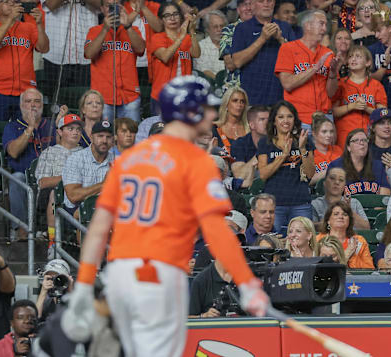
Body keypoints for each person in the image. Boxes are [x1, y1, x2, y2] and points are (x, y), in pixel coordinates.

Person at [64, 76, 270, 356]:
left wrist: (86, 282)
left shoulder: (128, 159)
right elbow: (218, 231)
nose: (211, 115)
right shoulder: (195, 163)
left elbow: (99, 228)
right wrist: (246, 283)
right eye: (206, 109)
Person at [0, 0, 48, 121]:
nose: (11, 4)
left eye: (14, 1)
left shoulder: (29, 27)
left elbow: (44, 48)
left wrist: (39, 24)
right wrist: (10, 20)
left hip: (26, 92)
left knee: (26, 133)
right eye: (6, 1)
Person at [41, 0, 101, 88]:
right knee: (56, 105)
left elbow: (100, 4)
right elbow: (51, 4)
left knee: (86, 101)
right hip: (55, 59)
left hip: (85, 57)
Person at [2, 88, 56, 238]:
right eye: (28, 101)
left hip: (50, 177)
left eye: (37, 101)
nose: (33, 105)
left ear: (42, 106)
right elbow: (13, 151)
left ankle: (52, 235)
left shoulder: (52, 125)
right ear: (21, 106)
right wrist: (30, 128)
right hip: (25, 178)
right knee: (16, 179)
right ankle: (22, 230)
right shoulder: (12, 127)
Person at [85, 0, 145, 122]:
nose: (112, 9)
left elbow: (141, 49)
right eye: (108, 6)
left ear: (123, 7)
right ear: (102, 9)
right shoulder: (94, 30)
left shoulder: (133, 30)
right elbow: (89, 54)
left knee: (132, 138)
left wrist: (128, 25)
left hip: (129, 96)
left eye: (116, 5)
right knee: (103, 138)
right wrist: (105, 29)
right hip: (103, 97)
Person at [257, 100, 315, 233]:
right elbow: (263, 174)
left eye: (289, 116)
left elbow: (310, 173)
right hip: (275, 206)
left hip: (301, 203)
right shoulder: (265, 142)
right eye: (281, 117)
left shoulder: (304, 140)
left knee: (304, 243)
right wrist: (284, 155)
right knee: (275, 244)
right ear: (274, 121)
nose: (286, 120)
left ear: (294, 119)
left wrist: (302, 148)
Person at [233, 0, 296, 108]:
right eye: (261, 1)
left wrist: (280, 39)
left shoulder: (285, 27)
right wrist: (262, 38)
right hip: (252, 98)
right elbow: (237, 62)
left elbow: (297, 60)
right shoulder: (242, 28)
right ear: (252, 5)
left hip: (281, 97)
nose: (266, 4)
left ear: (274, 3)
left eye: (269, 1)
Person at [275, 10, 338, 126]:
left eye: (325, 25)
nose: (325, 29)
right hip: (299, 118)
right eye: (321, 24)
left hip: (324, 118)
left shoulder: (328, 53)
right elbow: (287, 84)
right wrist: (314, 69)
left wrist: (333, 74)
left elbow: (331, 93)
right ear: (308, 26)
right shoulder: (288, 49)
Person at [35, 114, 83, 246]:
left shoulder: (86, 153)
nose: (75, 132)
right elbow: (43, 182)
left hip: (81, 197)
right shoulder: (49, 153)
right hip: (58, 197)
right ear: (60, 132)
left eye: (78, 129)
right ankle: (53, 243)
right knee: (52, 193)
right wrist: (70, 178)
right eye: (70, 129)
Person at [148, 1, 200, 114]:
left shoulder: (187, 38)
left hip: (184, 95)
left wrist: (192, 32)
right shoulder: (157, 38)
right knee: (163, 130)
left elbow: (196, 54)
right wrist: (180, 37)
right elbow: (165, 57)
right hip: (162, 96)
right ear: (162, 20)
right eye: (167, 15)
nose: (172, 18)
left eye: (175, 14)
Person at [332, 44, 387, 145]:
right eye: (350, 56)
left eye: (358, 56)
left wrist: (367, 108)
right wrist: (351, 106)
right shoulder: (340, 84)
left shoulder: (376, 85)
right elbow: (333, 111)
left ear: (368, 62)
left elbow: (383, 114)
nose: (353, 59)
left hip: (369, 136)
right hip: (345, 135)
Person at [61, 120, 114, 213]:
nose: (104, 141)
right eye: (100, 136)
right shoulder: (75, 159)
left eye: (108, 137)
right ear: (91, 137)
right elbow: (73, 196)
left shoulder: (117, 161)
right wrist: (104, 185)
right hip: (77, 213)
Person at [124, 0, 162, 86]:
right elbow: (121, 27)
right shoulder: (122, 8)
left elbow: (159, 28)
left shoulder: (155, 7)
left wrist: (143, 8)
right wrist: (136, 11)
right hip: (128, 63)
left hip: (153, 62)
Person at [327, 128, 390, 195]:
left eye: (364, 140)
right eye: (356, 140)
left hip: (374, 205)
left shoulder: (377, 165)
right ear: (348, 147)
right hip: (345, 205)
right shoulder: (336, 166)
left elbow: (384, 195)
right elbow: (332, 196)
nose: (361, 143)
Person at [316, 201, 374, 268]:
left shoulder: (359, 241)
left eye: (345, 214)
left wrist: (352, 257)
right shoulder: (318, 240)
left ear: (349, 221)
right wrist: (346, 255)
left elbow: (369, 269)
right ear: (328, 220)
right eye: (336, 214)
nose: (340, 217)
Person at [219, 0, 253, 91]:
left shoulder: (264, 29)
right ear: (238, 9)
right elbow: (230, 64)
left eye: (251, 4)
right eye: (244, 5)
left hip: (258, 85)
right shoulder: (229, 30)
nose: (248, 8)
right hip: (235, 87)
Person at [231, 105, 269, 182]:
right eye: (262, 119)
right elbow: (239, 175)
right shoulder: (240, 144)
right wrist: (262, 151)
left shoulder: (278, 142)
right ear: (252, 125)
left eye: (270, 120)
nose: (267, 123)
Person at [213, 87, 249, 166]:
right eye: (235, 101)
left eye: (242, 101)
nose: (239, 105)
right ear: (226, 104)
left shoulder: (251, 130)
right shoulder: (214, 128)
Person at [194, 10, 227, 80]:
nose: (219, 29)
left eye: (222, 26)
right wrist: (221, 82)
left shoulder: (232, 44)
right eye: (215, 27)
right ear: (207, 29)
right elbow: (204, 71)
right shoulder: (201, 46)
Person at [310, 114, 342, 185]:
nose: (329, 135)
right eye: (324, 132)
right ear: (314, 133)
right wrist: (330, 170)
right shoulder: (308, 153)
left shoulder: (338, 149)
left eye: (331, 131)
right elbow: (308, 181)